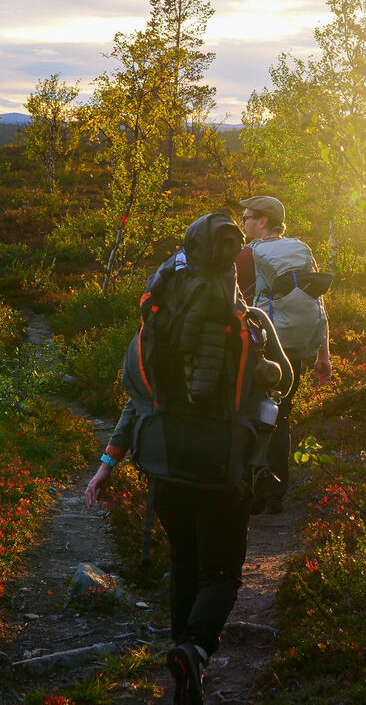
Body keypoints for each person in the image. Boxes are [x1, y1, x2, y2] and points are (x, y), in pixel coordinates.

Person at [85, 212, 292, 705]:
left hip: (164, 467)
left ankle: (183, 660)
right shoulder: (252, 325)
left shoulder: (155, 329)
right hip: (225, 470)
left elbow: (138, 400)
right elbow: (282, 380)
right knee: (221, 573)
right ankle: (196, 652)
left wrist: (107, 464)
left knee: (183, 562)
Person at [235, 195, 332, 513]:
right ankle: (277, 494)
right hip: (296, 349)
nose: (243, 222)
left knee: (252, 414)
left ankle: (255, 491)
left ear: (263, 221)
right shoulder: (301, 249)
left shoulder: (249, 254)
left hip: (265, 348)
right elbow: (318, 301)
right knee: (281, 415)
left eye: (247, 217)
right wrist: (323, 356)